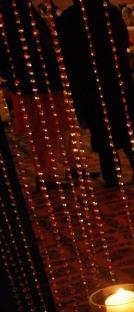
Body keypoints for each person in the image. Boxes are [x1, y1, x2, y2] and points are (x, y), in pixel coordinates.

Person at [55, 0, 134, 186]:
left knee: (102, 130)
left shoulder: (69, 18)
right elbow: (123, 39)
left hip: (89, 83)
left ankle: (112, 175)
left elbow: (66, 54)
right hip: (117, 78)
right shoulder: (109, 11)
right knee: (127, 124)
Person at [0, 0, 73, 188]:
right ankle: (47, 176)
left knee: (58, 126)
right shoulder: (13, 12)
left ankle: (65, 169)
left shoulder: (23, 10)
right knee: (44, 131)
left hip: (43, 81)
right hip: (34, 83)